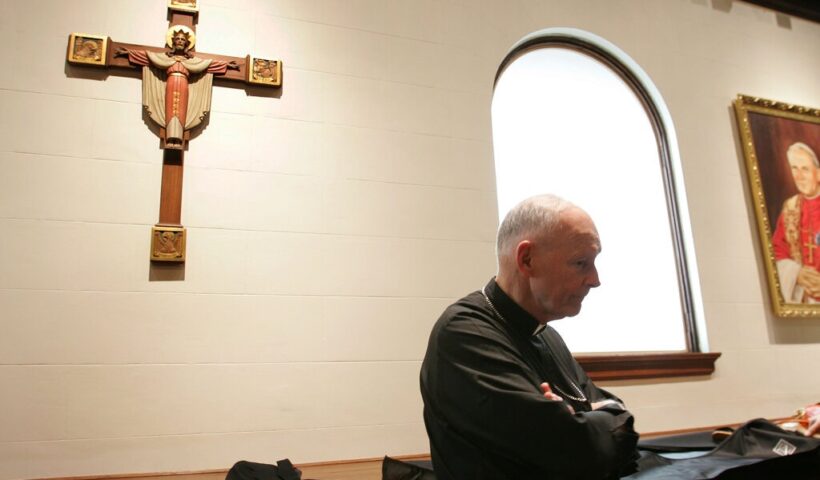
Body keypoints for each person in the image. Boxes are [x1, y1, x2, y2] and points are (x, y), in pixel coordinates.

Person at [420, 194, 638, 480]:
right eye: (581, 263)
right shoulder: (465, 333)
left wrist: (582, 418)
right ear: (527, 259)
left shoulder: (549, 337)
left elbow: (623, 428)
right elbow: (578, 452)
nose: (595, 279)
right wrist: (586, 421)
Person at [116, 26, 238, 149]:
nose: (180, 41)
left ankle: (178, 138)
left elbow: (209, 64)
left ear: (187, 43)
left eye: (183, 39)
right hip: (171, 83)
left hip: (184, 86)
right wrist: (129, 53)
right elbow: (147, 57)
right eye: (178, 39)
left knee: (181, 111)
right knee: (170, 109)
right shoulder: (165, 59)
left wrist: (227, 65)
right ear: (173, 41)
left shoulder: (193, 61)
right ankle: (170, 137)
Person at [771, 142, 820, 303]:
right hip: (804, 299)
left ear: (818, 174)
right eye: (794, 168)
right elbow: (776, 254)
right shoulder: (789, 209)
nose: (798, 176)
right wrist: (797, 274)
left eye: (804, 169)